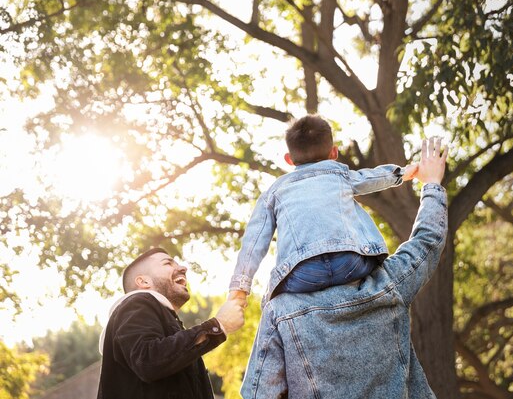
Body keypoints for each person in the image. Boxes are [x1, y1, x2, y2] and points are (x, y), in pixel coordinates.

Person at [241, 137, 449, 399]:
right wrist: (431, 185)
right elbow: (428, 240)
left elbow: (259, 394)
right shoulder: (389, 283)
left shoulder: (280, 311)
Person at [229, 114, 419, 302]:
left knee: (273, 302)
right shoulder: (339, 174)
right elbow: (371, 178)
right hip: (350, 263)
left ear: (289, 159)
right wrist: (403, 173)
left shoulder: (274, 192)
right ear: (334, 153)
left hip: (302, 273)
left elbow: (254, 241)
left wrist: (239, 289)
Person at [97, 248, 246, 399]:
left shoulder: (166, 322)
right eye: (168, 263)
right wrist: (218, 325)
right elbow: (148, 360)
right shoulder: (136, 303)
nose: (183, 268)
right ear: (143, 281)